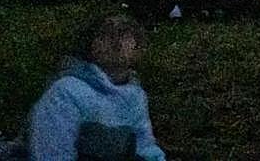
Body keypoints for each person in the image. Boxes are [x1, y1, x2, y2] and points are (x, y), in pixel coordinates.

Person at [26, 14, 166, 161]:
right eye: (106, 35)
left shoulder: (136, 96)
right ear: (91, 45)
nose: (116, 42)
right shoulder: (65, 91)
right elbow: (52, 154)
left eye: (124, 35)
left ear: (138, 49)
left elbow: (146, 148)